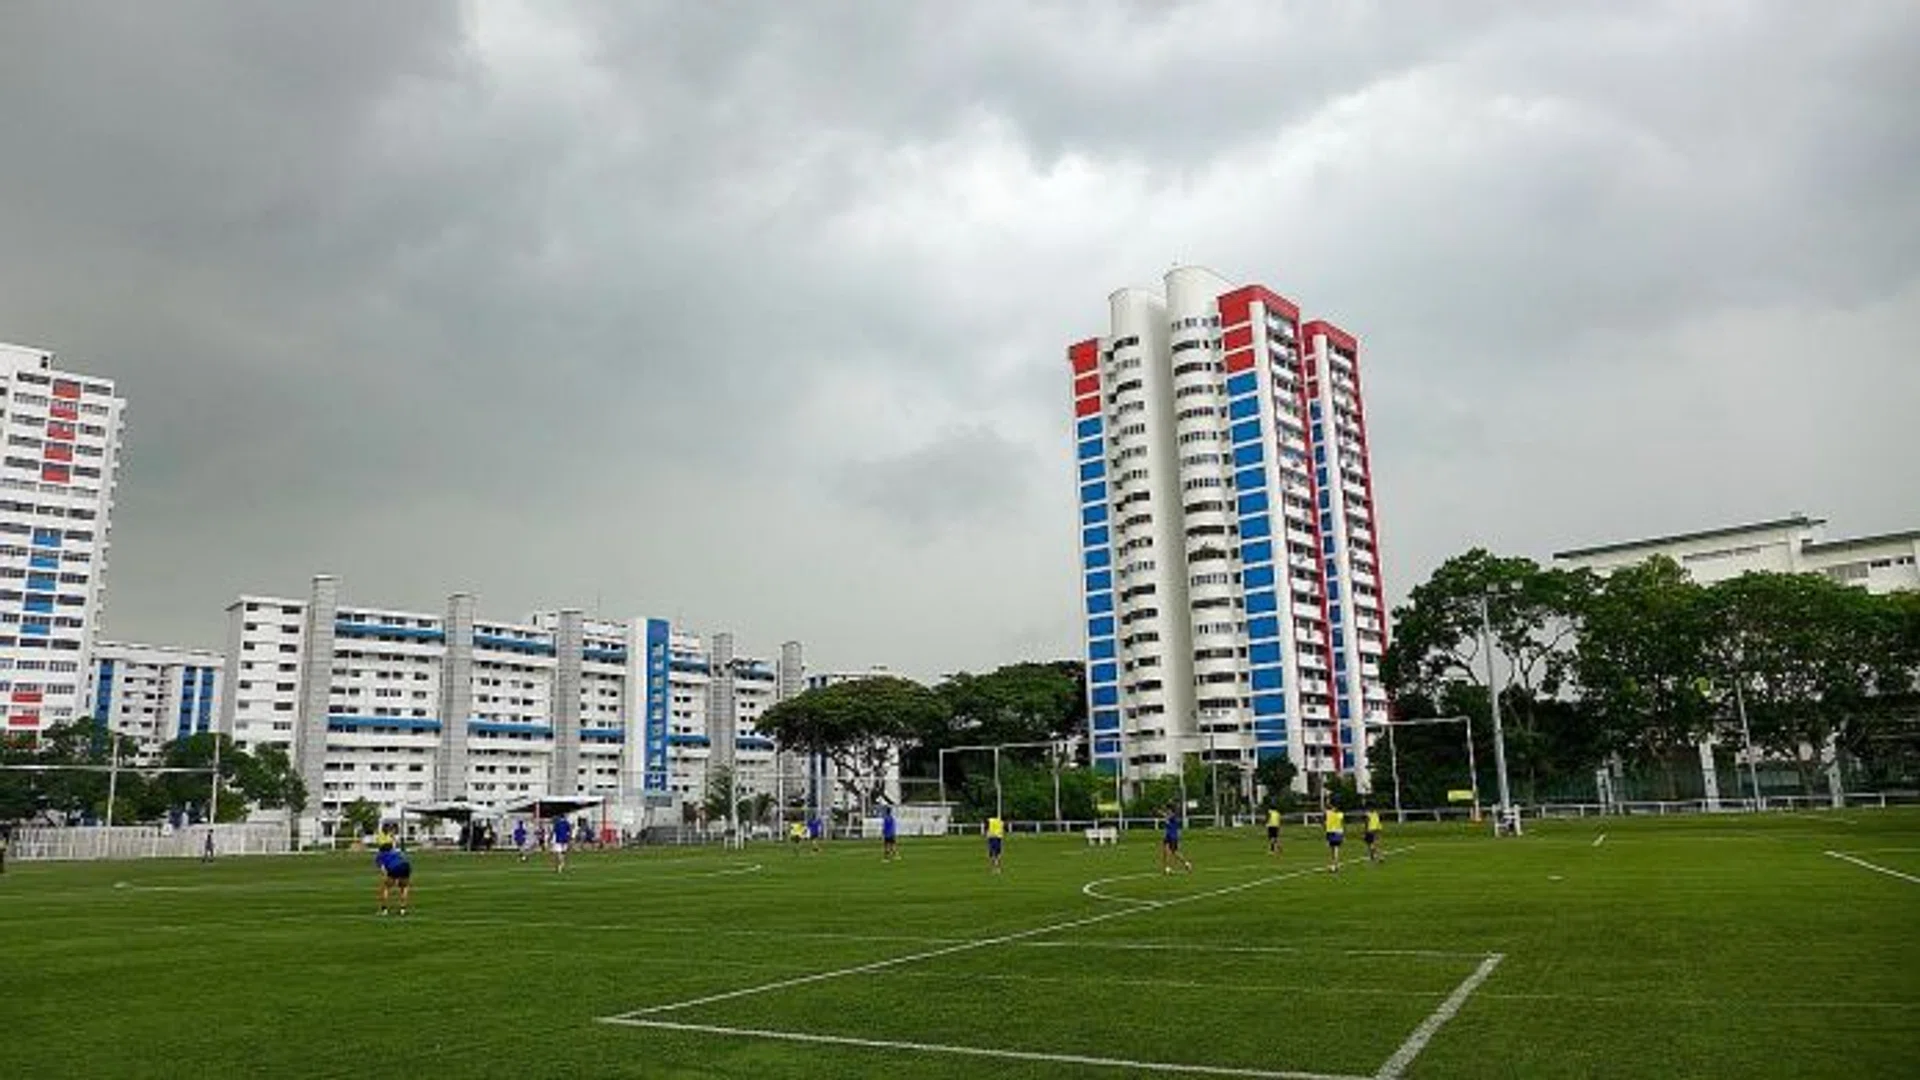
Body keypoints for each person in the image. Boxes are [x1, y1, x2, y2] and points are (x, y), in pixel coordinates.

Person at [374, 840, 412, 915]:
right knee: (404, 887)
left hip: (393, 868)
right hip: (405, 866)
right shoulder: (395, 852)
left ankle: (384, 910)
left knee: (386, 888)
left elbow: (383, 868)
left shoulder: (379, 856)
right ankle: (402, 910)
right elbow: (402, 859)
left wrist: (386, 876)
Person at [1161, 807, 1194, 875]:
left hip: (1173, 837)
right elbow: (1165, 817)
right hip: (1168, 836)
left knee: (1174, 853)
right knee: (1166, 852)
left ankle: (1187, 864)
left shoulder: (1173, 817)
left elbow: (1167, 817)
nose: (1168, 812)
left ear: (1172, 812)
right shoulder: (1169, 817)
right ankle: (1168, 868)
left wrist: (1160, 812)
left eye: (1169, 811)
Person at [1324, 805, 1345, 873]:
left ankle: (1334, 866)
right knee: (1335, 850)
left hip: (1331, 833)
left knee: (1333, 850)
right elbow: (1341, 824)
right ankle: (1335, 865)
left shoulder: (1328, 813)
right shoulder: (1340, 814)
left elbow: (1325, 822)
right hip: (1339, 832)